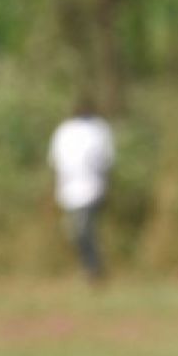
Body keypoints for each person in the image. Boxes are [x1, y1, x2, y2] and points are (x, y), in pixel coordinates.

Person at [48, 103, 115, 281]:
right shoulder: (66, 130)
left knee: (85, 230)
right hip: (69, 190)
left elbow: (105, 161)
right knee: (75, 232)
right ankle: (89, 267)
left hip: (91, 188)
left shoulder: (98, 129)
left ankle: (93, 269)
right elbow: (57, 161)